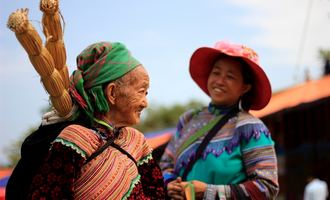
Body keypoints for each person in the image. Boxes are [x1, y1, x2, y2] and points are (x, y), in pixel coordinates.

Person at [26, 42, 165, 199]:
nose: (145, 103)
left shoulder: (136, 141)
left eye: (146, 93)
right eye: (141, 92)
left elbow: (157, 194)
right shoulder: (75, 139)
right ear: (112, 92)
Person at [160, 41, 279, 199]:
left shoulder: (251, 128)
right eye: (216, 73)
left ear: (245, 87)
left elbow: (266, 187)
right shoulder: (188, 119)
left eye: (230, 76)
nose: (220, 81)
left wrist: (210, 192)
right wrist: (170, 185)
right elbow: (165, 164)